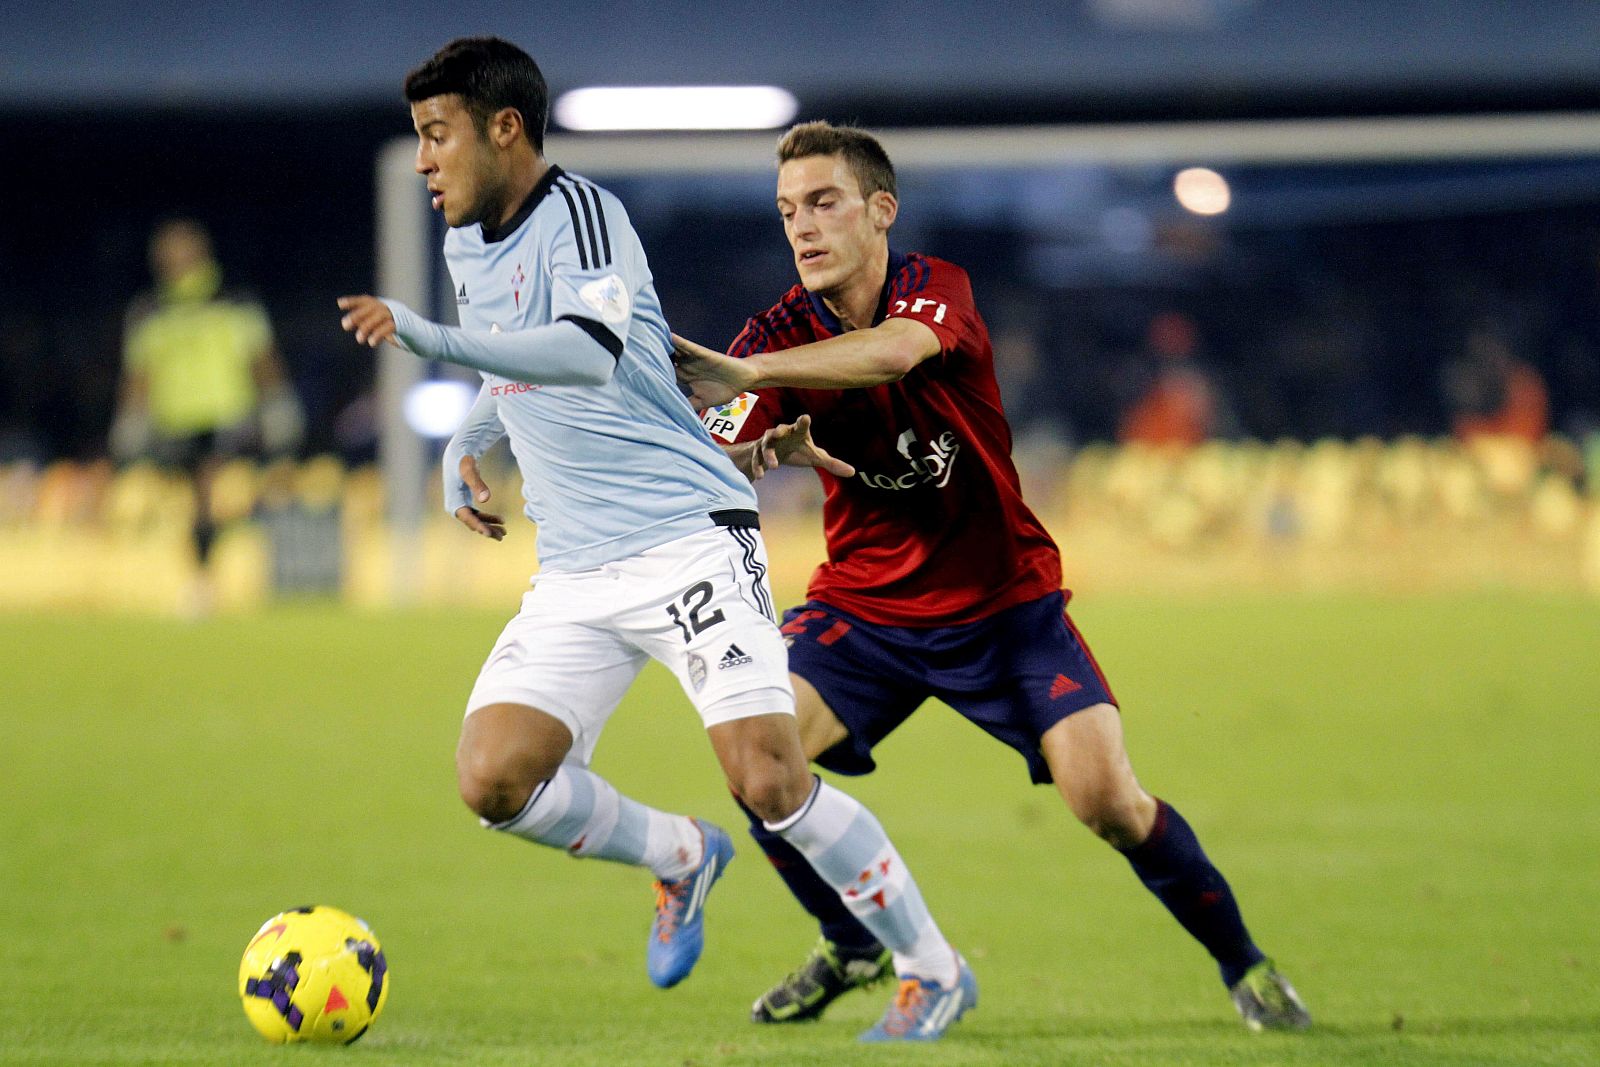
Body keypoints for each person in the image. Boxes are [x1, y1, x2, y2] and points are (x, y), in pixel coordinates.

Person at [335, 40, 976, 1042]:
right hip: (575, 564)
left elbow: (581, 353)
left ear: (504, 128)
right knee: (494, 778)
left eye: (436, 134)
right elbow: (515, 371)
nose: (424, 160)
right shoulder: (467, 239)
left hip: (686, 534)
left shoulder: (583, 218)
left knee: (769, 776)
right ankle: (679, 853)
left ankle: (932, 965)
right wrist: (471, 434)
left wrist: (427, 338)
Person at [672, 120, 1311, 1033]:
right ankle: (850, 942)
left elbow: (892, 353)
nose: (802, 227)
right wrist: (741, 453)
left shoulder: (937, 291)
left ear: (880, 209)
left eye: (823, 202)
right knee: (756, 761)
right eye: (787, 211)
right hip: (866, 612)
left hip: (1006, 609)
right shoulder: (773, 330)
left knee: (1109, 802)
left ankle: (1244, 965)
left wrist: (754, 372)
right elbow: (714, 446)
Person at [113, 218, 302, 612]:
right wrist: (130, 418)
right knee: (188, 505)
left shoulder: (232, 301)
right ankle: (203, 578)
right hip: (174, 421)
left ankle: (217, 581)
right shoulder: (150, 309)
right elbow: (141, 370)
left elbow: (260, 356)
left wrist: (277, 402)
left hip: (227, 415)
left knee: (214, 496)